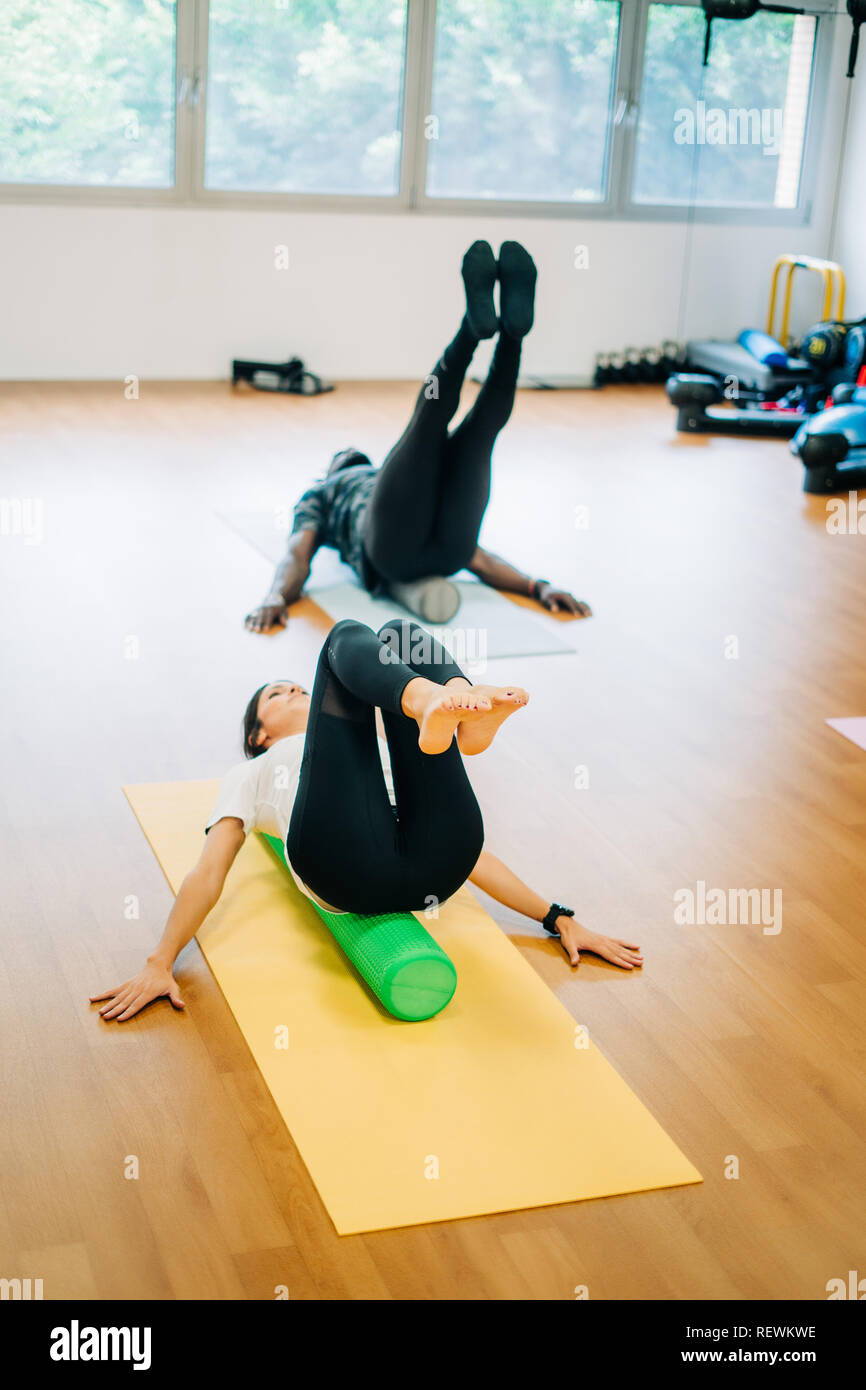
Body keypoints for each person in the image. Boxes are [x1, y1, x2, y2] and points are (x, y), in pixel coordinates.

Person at [91, 618, 640, 1022]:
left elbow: (474, 860)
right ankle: (436, 698)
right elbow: (209, 871)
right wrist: (160, 960)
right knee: (343, 637)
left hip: (437, 865)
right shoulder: (255, 770)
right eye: (280, 695)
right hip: (343, 867)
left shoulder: (380, 742)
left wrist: (558, 916)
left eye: (299, 686)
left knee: (398, 633)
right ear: (258, 735)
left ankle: (458, 706)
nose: (297, 691)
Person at [244, 241, 592, 633]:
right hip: (404, 550)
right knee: (434, 426)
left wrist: (538, 587)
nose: (348, 452)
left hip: (447, 549)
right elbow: (297, 556)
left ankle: (506, 333)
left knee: (475, 431)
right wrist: (273, 594)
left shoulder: (344, 492)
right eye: (344, 452)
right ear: (332, 469)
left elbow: (478, 560)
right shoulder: (324, 493)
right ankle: (488, 336)